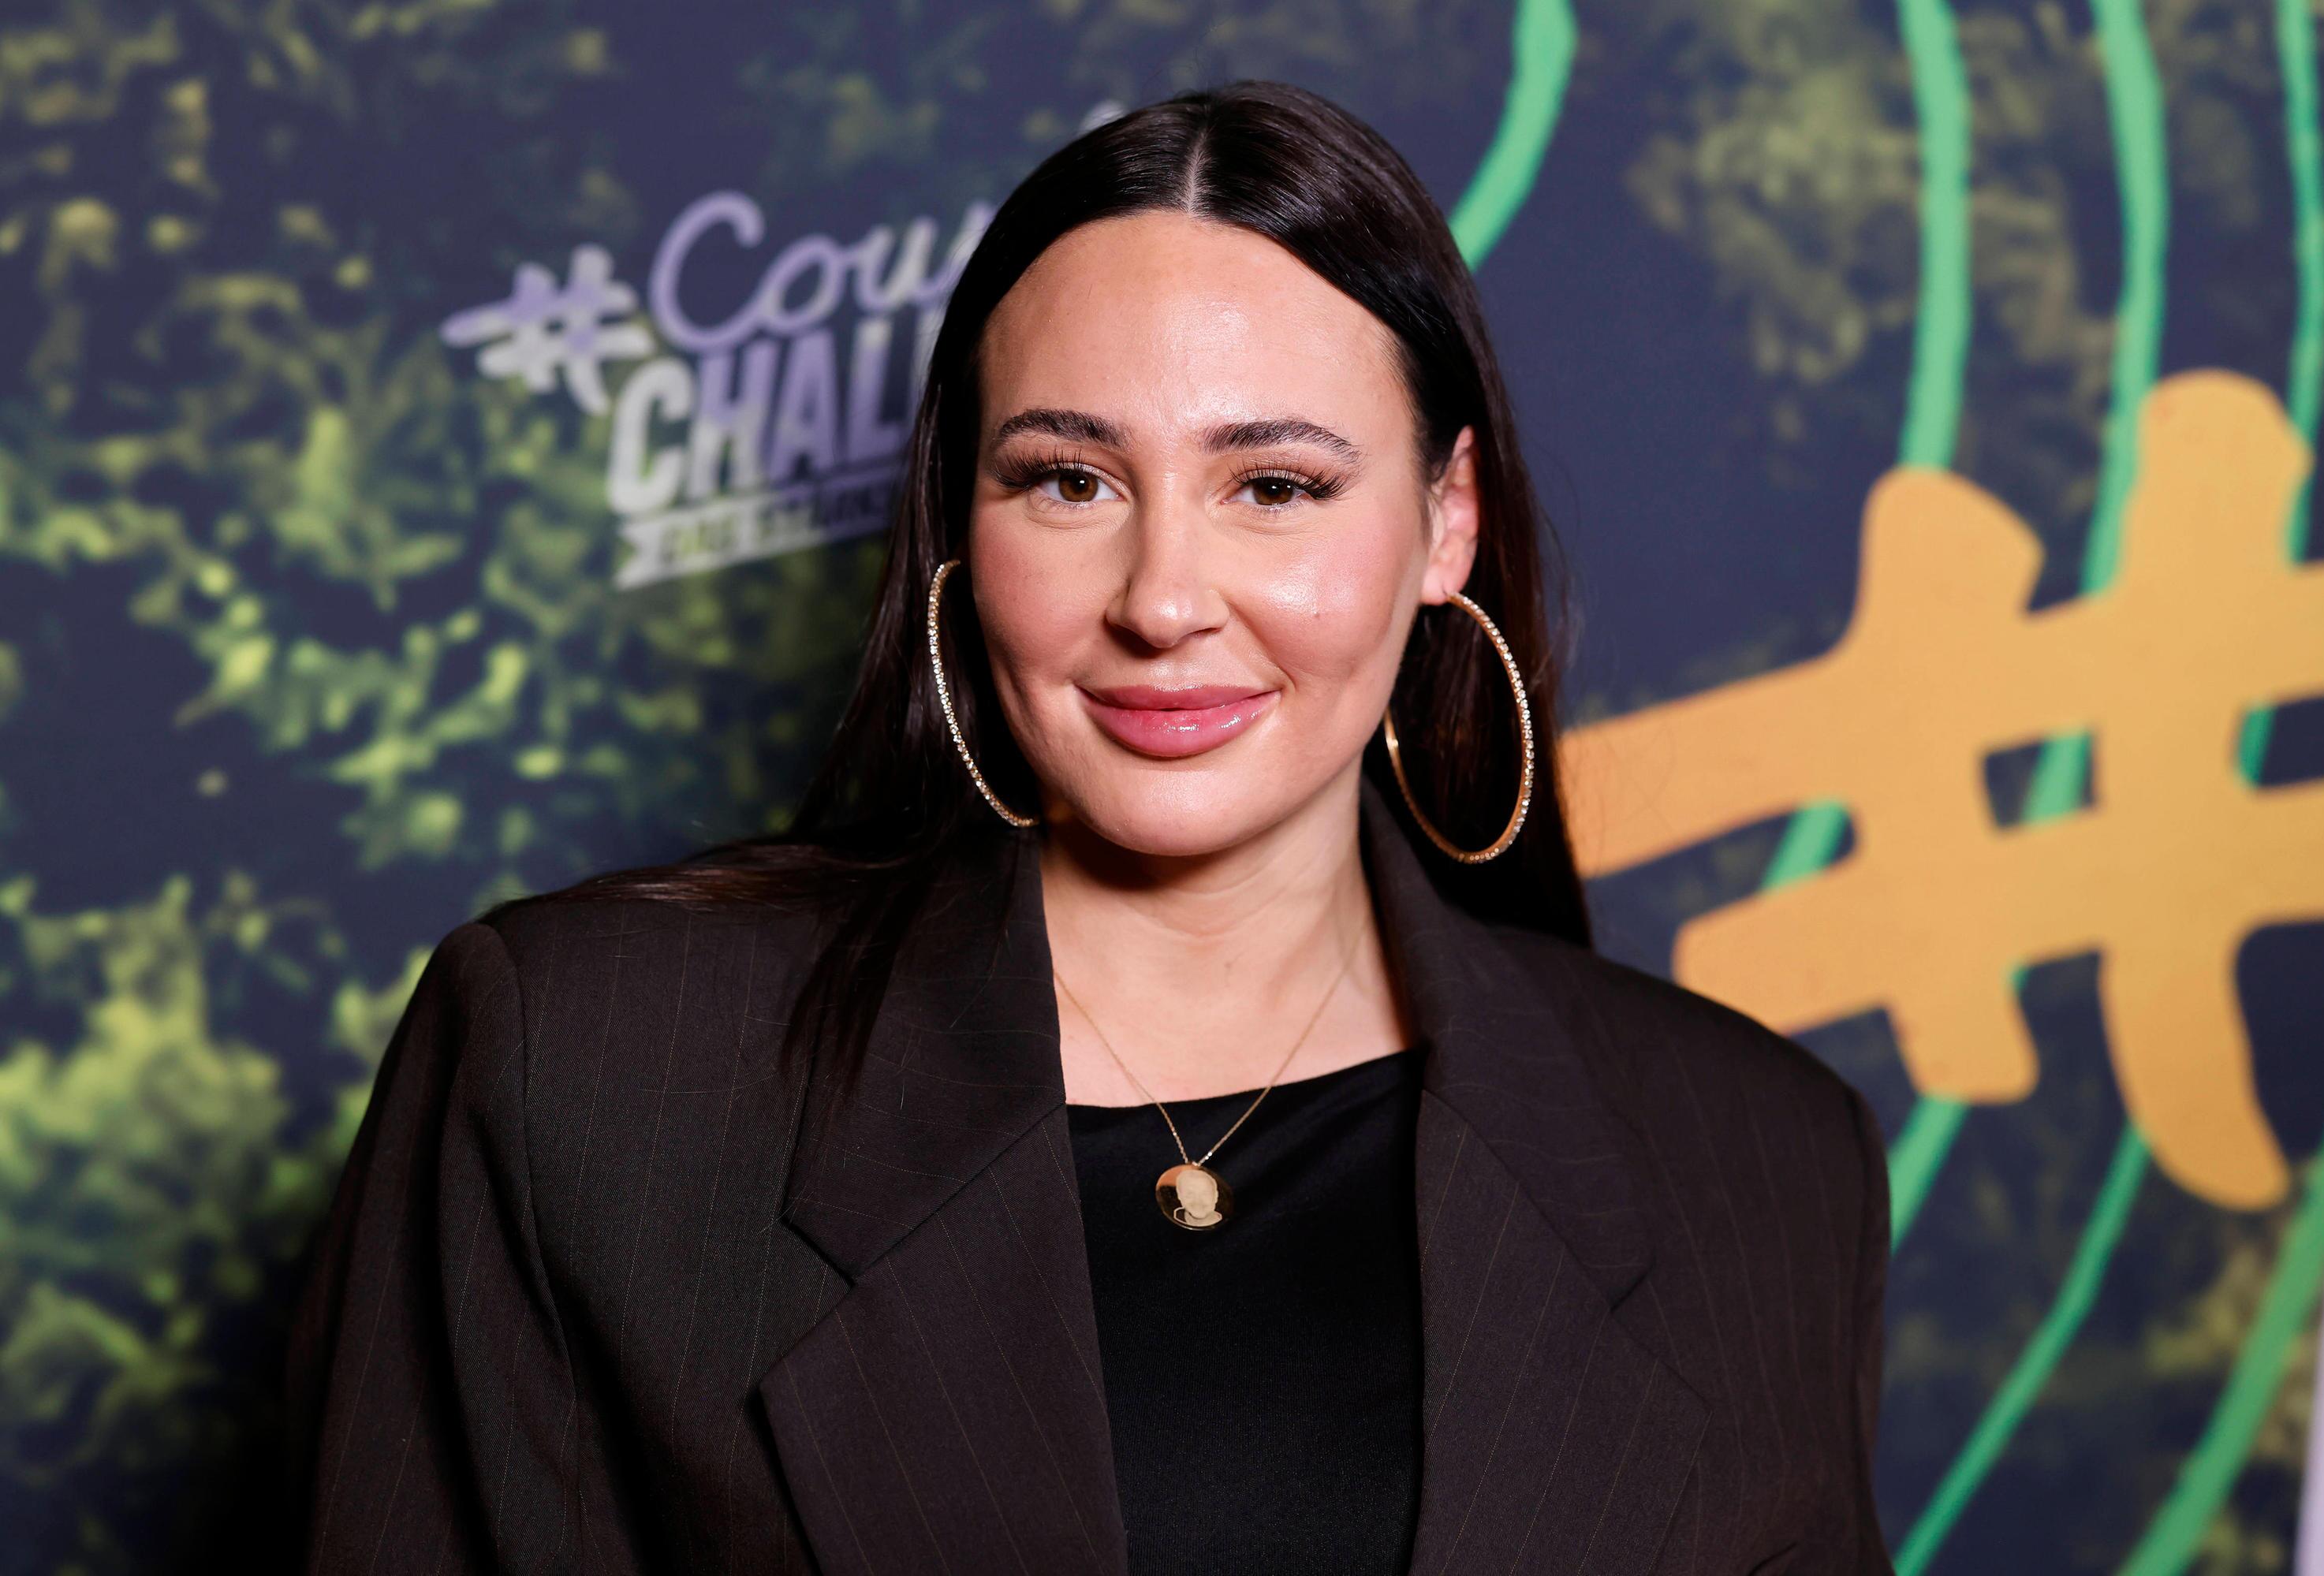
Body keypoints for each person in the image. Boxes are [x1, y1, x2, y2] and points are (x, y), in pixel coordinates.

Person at [282, 79, 1895, 1575]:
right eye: (1069, 481)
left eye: (1276, 486)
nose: (1163, 601)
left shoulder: (1756, 1161)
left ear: (1445, 520)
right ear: (962, 520)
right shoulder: (587, 1073)